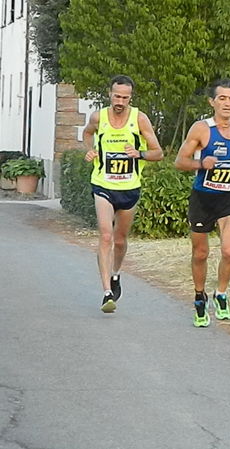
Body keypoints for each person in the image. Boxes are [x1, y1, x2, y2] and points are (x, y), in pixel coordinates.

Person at [174, 78, 230, 327]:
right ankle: (200, 297)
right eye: (222, 98)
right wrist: (201, 164)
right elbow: (179, 161)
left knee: (229, 250)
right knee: (201, 254)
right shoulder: (201, 129)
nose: (227, 103)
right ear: (212, 102)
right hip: (203, 199)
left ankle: (221, 294)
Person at [83, 75, 164, 313]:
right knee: (106, 236)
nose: (120, 101)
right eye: (117, 96)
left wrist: (138, 154)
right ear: (109, 94)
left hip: (129, 187)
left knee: (120, 239)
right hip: (103, 185)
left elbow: (158, 152)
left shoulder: (139, 119)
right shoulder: (99, 117)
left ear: (131, 97)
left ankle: (116, 274)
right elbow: (87, 134)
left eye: (125, 97)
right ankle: (107, 292)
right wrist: (90, 151)